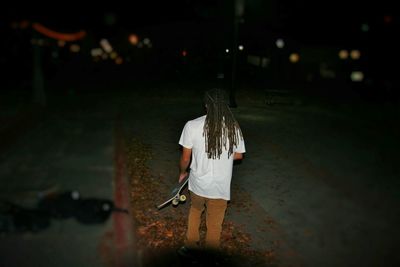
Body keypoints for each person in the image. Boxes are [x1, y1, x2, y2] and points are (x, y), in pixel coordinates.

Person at [177, 88, 245, 256]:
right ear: (225, 105)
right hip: (220, 187)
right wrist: (224, 157)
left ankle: (190, 246)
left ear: (206, 105)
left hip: (198, 183)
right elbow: (239, 155)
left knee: (195, 210)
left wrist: (182, 172)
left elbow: (186, 158)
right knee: (215, 224)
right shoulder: (233, 127)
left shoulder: (192, 125)